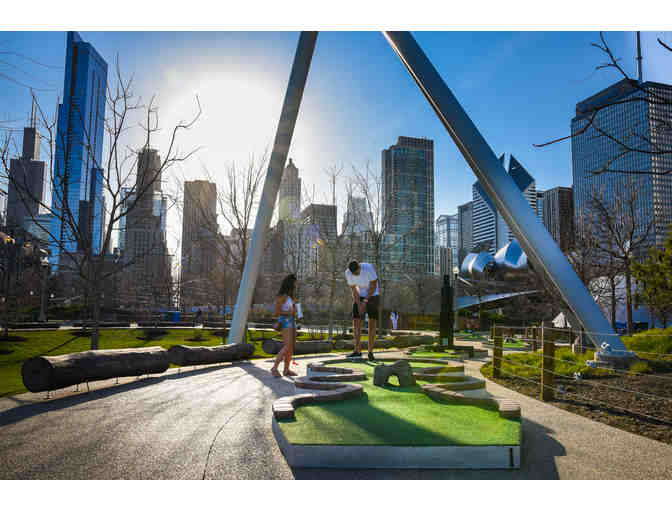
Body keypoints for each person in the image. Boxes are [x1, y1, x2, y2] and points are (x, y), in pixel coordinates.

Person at [345, 260, 379, 361]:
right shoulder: (348, 273)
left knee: (372, 322)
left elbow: (373, 286)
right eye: (354, 274)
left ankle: (370, 352)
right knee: (356, 321)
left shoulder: (368, 268)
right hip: (359, 294)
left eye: (357, 273)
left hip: (373, 294)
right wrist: (359, 304)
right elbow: (354, 289)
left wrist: (365, 301)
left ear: (360, 267)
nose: (355, 275)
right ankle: (357, 350)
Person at [270, 274, 298, 377]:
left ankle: (286, 370)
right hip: (286, 322)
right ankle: (274, 368)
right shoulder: (282, 296)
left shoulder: (291, 296)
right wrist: (289, 312)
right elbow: (276, 312)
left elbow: (292, 310)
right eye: (294, 283)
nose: (296, 285)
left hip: (292, 321)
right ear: (290, 284)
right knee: (287, 346)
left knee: (291, 347)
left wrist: (295, 311)